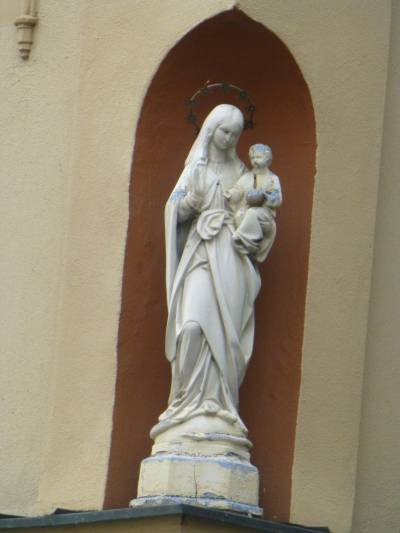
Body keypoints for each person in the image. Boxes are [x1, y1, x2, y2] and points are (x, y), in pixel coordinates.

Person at [150, 105, 277, 443]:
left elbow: (261, 211)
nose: (230, 138)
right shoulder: (196, 168)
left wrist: (254, 218)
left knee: (224, 329)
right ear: (211, 130)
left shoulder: (242, 171)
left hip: (231, 256)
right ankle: (184, 403)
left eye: (236, 134)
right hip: (200, 253)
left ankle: (218, 402)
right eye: (225, 131)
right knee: (192, 326)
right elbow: (173, 212)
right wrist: (191, 203)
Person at [226, 143, 282, 260]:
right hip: (247, 210)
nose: (255, 160)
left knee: (252, 213)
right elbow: (238, 190)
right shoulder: (247, 177)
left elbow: (277, 200)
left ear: (267, 159)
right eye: (253, 158)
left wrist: (265, 196)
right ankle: (247, 248)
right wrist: (229, 194)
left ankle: (241, 238)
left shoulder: (272, 178)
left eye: (259, 157)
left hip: (265, 215)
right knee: (239, 215)